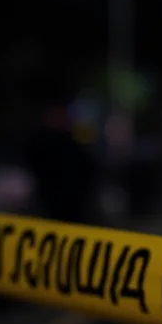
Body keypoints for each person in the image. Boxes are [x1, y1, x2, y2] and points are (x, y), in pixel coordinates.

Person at [24, 91, 98, 224]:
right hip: (45, 207)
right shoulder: (38, 143)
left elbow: (87, 172)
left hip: (72, 208)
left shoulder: (73, 145)